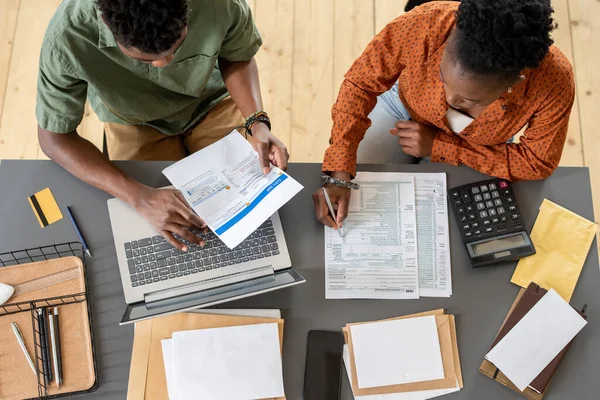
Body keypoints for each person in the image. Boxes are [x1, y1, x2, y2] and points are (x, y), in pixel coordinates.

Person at [36, 0, 288, 250]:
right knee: (156, 228)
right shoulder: (67, 35)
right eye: (145, 60)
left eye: (176, 47)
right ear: (105, 21)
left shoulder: (219, 4)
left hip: (210, 102)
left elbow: (237, 56)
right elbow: (54, 139)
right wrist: (139, 197)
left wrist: (257, 121)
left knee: (250, 209)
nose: (164, 64)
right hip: (132, 121)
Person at [313, 0, 575, 229]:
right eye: (442, 77)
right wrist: (339, 171)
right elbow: (361, 83)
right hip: (400, 110)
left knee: (452, 226)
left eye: (468, 100)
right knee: (362, 192)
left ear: (514, 83)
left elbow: (536, 162)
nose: (449, 100)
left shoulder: (554, 80)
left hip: (479, 148)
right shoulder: (425, 23)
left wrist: (441, 147)